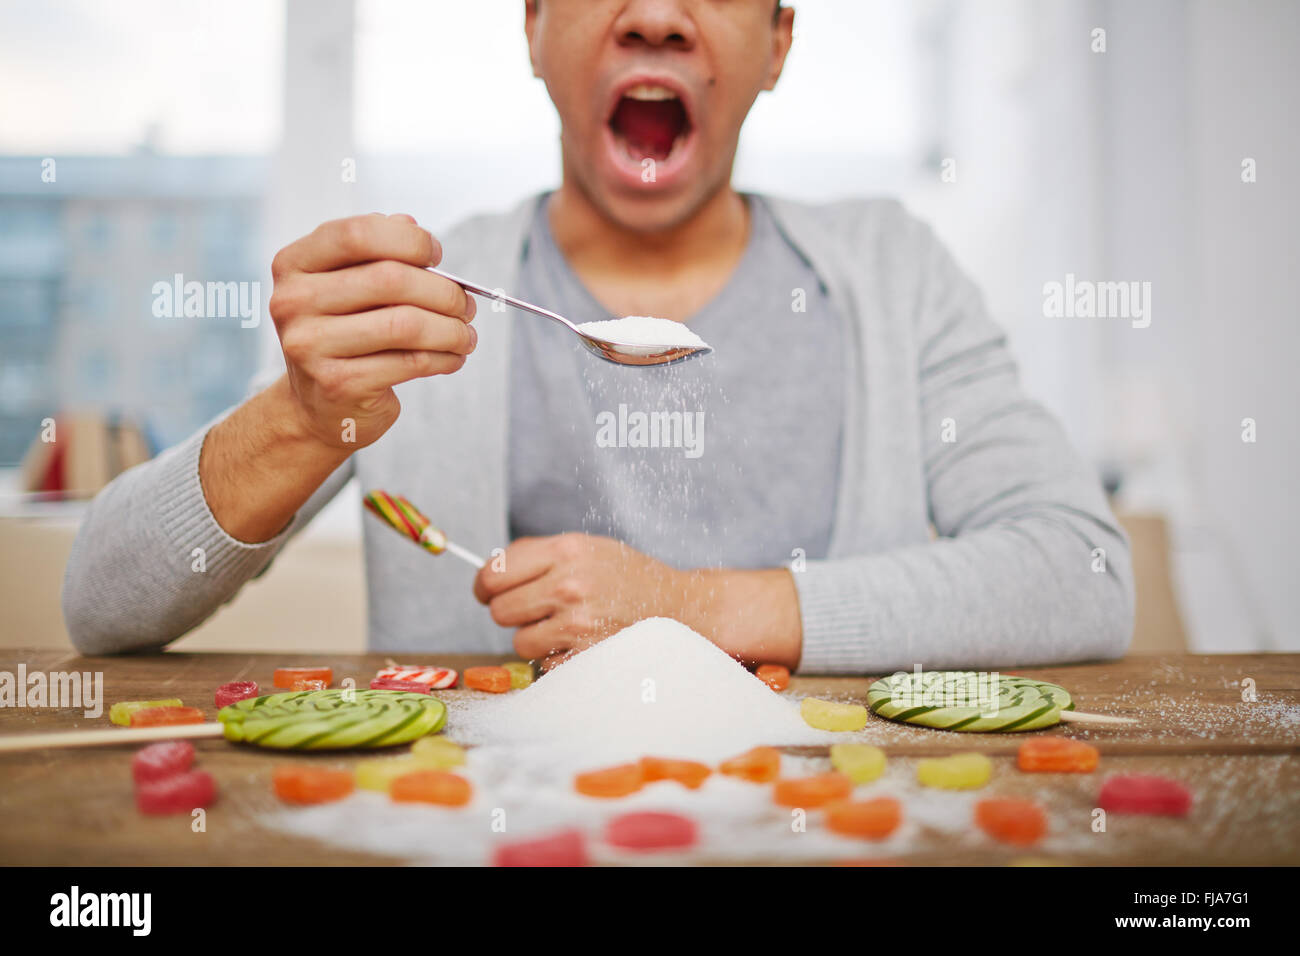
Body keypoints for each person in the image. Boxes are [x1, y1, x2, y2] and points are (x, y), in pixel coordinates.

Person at [63, 0, 1132, 673]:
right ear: (531, 26)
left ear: (779, 40)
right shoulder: (426, 301)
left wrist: (690, 607)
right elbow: (101, 606)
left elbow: (1081, 571)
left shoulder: (893, 273)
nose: (656, 15)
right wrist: (299, 417)